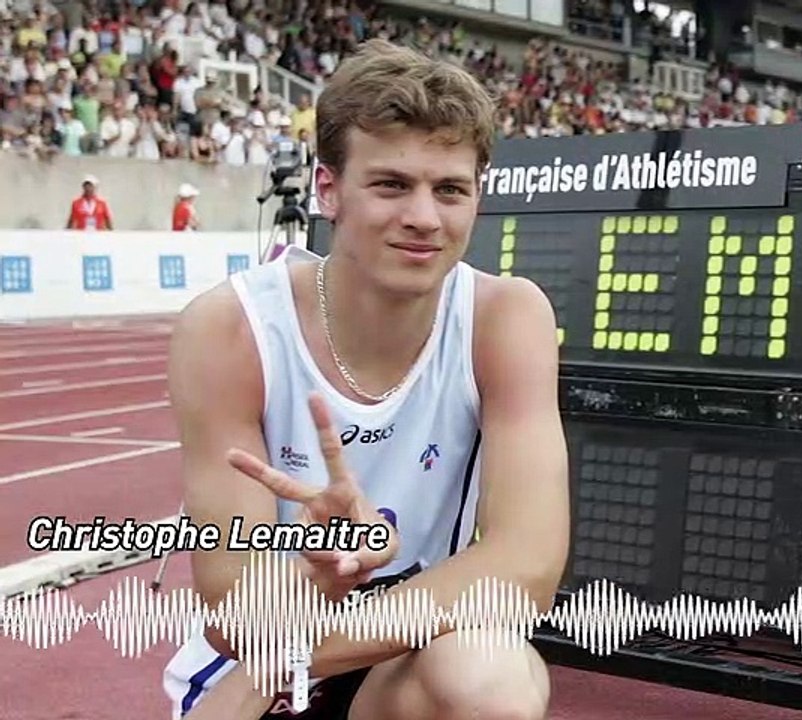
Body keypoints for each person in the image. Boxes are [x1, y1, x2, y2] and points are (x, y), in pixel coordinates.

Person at [161, 38, 569, 720]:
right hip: (255, 668)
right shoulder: (231, 329)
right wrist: (315, 573)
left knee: (490, 676)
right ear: (328, 190)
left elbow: (525, 569)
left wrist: (301, 652)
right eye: (391, 185)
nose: (424, 218)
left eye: (449, 190)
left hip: (391, 657)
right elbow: (236, 613)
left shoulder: (507, 317)